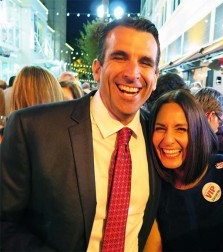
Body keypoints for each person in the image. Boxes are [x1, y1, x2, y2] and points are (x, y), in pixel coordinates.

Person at [1, 16, 161, 251]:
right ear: (97, 69)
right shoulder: (33, 128)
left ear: (155, 77)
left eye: (146, 62)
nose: (132, 73)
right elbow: (4, 223)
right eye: (120, 57)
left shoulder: (157, 136)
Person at [144, 89, 223, 251]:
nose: (167, 140)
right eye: (160, 128)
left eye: (181, 129)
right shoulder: (154, 187)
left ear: (198, 131)